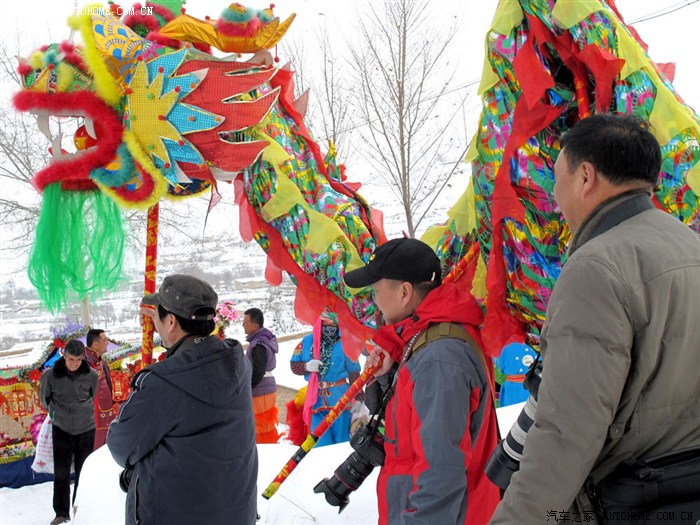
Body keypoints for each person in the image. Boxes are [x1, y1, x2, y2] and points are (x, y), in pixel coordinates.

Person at [490, 114, 700, 523]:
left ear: (586, 177)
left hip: (627, 502)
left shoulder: (596, 267)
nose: (554, 195)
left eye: (557, 179)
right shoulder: (689, 244)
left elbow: (566, 435)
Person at [344, 237, 500, 525]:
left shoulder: (438, 358)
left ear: (405, 292)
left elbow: (441, 472)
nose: (374, 300)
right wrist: (390, 370)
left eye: (376, 290)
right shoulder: (432, 338)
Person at [107, 274, 258, 525]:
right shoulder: (238, 362)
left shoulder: (162, 383)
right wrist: (165, 323)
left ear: (172, 321)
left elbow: (122, 446)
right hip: (234, 512)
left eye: (161, 317)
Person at [40, 339, 98, 525]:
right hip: (62, 428)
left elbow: (92, 395)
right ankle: (61, 513)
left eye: (78, 360)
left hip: (86, 429)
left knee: (84, 473)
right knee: (61, 474)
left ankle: (80, 510)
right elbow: (45, 400)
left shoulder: (91, 375)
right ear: (63, 356)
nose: (74, 363)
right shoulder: (50, 376)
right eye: (71, 359)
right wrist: (58, 414)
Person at [290, 310, 363, 446]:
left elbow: (354, 372)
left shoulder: (346, 342)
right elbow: (294, 365)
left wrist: (359, 398)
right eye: (325, 323)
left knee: (342, 442)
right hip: (315, 400)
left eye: (333, 323)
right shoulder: (307, 341)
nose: (329, 327)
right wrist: (306, 366)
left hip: (341, 400)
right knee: (319, 443)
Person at [242, 307, 280, 443]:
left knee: (261, 427)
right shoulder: (260, 341)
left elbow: (258, 372)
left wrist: (245, 386)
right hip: (264, 388)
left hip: (261, 390)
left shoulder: (259, 345)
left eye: (245, 322)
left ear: (255, 325)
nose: (243, 325)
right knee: (263, 425)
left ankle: (266, 453)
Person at [84, 328, 115, 449]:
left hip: (107, 412)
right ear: (95, 344)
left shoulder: (102, 363)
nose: (107, 342)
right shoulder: (83, 363)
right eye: (105, 340)